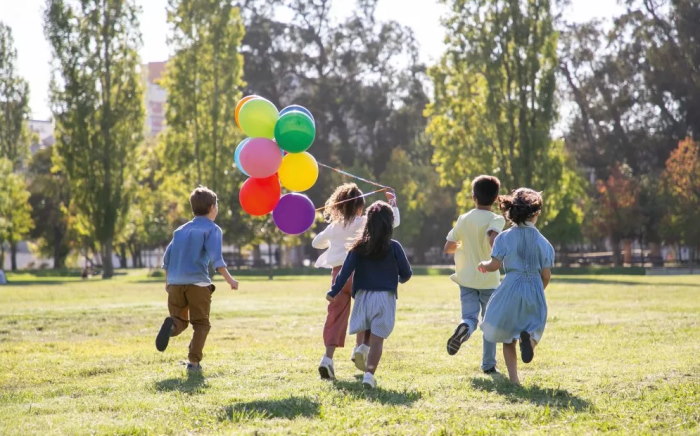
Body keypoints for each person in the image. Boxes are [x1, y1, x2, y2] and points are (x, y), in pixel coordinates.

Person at [312, 183, 400, 380]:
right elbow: (393, 222)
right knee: (366, 312)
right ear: (360, 206)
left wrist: (333, 238)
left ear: (339, 206)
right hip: (360, 274)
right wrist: (392, 202)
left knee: (335, 317)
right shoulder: (364, 222)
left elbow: (315, 243)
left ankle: (327, 358)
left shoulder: (334, 227)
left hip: (338, 277)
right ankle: (360, 348)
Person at [326, 201, 412, 388]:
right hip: (385, 297)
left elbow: (345, 272)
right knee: (378, 339)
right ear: (389, 224)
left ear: (368, 222)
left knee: (366, 327)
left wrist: (333, 291)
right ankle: (369, 375)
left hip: (363, 297)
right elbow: (407, 273)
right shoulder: (394, 246)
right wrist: (398, 279)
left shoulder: (358, 247)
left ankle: (362, 347)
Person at [155, 186, 239, 372]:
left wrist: (168, 283)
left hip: (175, 283)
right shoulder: (212, 229)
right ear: (212, 207)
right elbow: (217, 259)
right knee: (201, 323)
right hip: (198, 283)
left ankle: (171, 327)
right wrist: (230, 280)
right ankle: (193, 363)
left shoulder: (180, 230)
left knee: (179, 320)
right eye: (216, 205)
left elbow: (167, 259)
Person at [477, 188, 554, 385]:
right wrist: (538, 290)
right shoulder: (544, 243)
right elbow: (546, 275)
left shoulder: (503, 237)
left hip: (510, 287)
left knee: (507, 336)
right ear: (535, 213)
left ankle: (514, 380)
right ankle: (529, 341)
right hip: (534, 287)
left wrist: (483, 265)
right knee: (535, 327)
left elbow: (494, 265)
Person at [443, 175, 505, 374]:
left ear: (473, 197)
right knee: (489, 324)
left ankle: (464, 328)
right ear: (496, 199)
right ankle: (488, 365)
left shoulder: (464, 218)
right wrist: (496, 256)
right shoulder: (497, 218)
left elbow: (448, 247)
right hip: (488, 278)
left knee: (469, 317)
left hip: (466, 278)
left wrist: (464, 246)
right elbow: (492, 237)